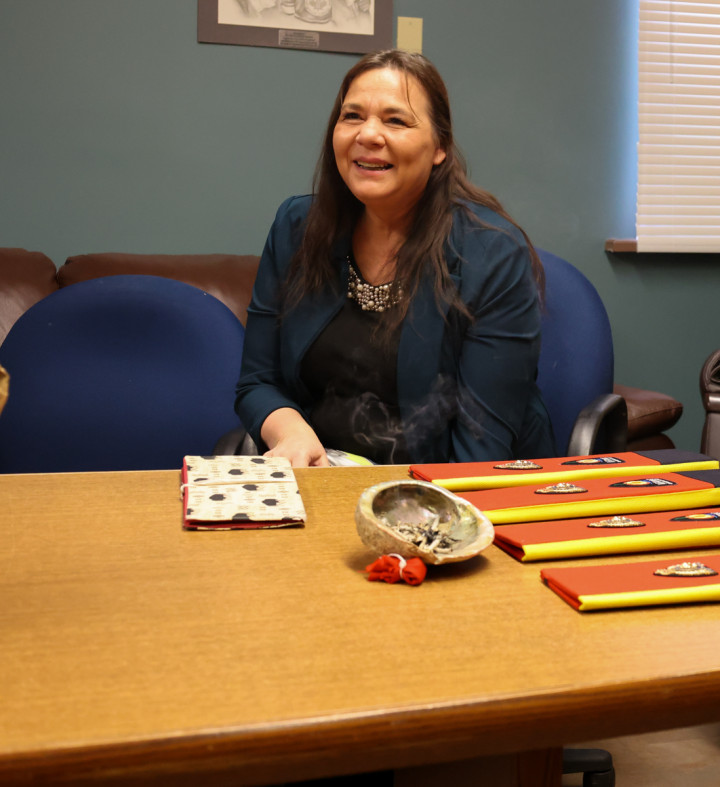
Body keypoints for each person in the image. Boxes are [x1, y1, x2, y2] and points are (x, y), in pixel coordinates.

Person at [235, 49, 555, 467]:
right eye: (351, 116)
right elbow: (258, 381)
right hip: (320, 482)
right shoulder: (297, 226)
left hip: (445, 498)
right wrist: (291, 431)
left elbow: (480, 450)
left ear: (439, 147)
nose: (367, 134)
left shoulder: (492, 255)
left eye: (396, 120)